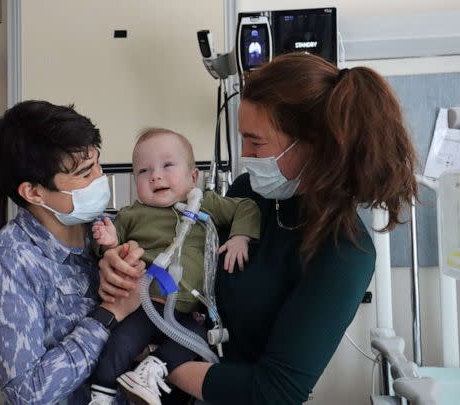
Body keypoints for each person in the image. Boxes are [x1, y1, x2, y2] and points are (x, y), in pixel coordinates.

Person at [98, 52, 418, 404]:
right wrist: (119, 264)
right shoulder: (249, 193)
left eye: (256, 142)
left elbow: (275, 392)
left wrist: (150, 358)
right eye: (243, 140)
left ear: (314, 144)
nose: (246, 156)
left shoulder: (344, 253)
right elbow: (188, 264)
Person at [0, 100, 145, 405]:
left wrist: (134, 266)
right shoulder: (7, 264)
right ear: (33, 192)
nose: (100, 179)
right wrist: (109, 315)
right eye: (85, 173)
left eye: (97, 163)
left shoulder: (105, 229)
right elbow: (28, 394)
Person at [89, 129, 261, 405]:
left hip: (193, 312)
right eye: (144, 171)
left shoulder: (205, 203)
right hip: (147, 305)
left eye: (167, 165)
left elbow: (247, 208)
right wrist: (107, 242)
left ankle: (153, 369)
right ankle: (101, 395)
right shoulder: (132, 214)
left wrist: (241, 237)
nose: (155, 175)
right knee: (120, 345)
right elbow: (109, 250)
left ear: (194, 177)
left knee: (199, 340)